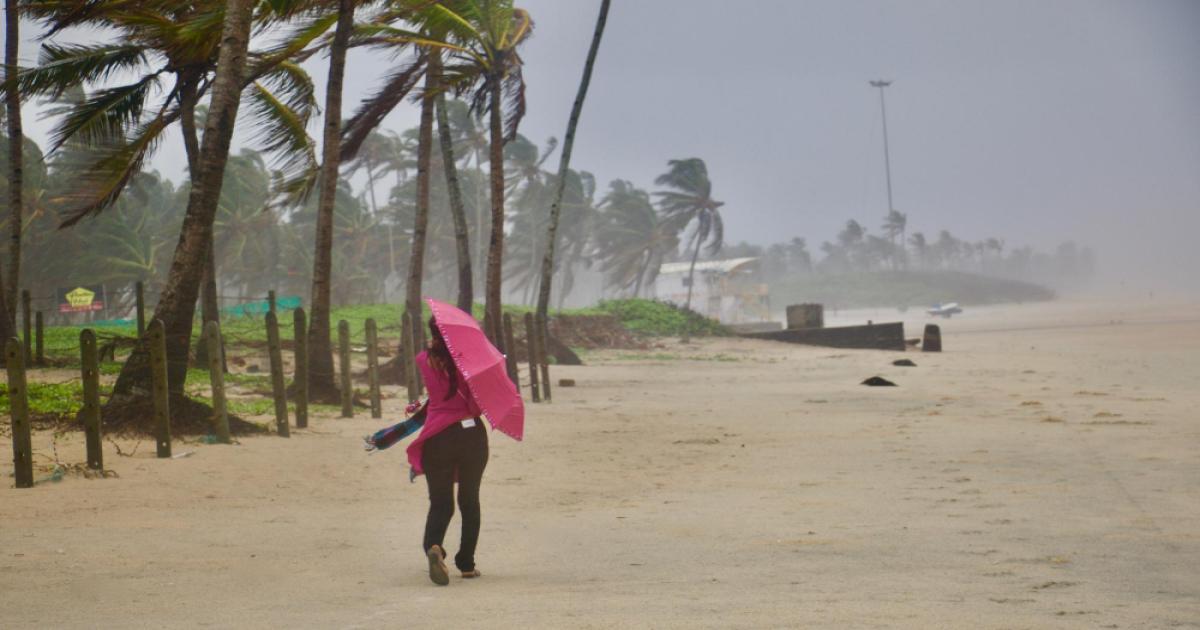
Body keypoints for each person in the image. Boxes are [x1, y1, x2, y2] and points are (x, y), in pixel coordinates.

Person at [406, 316, 488, 586]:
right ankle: (466, 564)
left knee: (441, 503)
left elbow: (437, 386)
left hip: (437, 436)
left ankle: (435, 547)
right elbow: (477, 405)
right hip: (471, 437)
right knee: (469, 500)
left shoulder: (423, 359)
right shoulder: (471, 362)